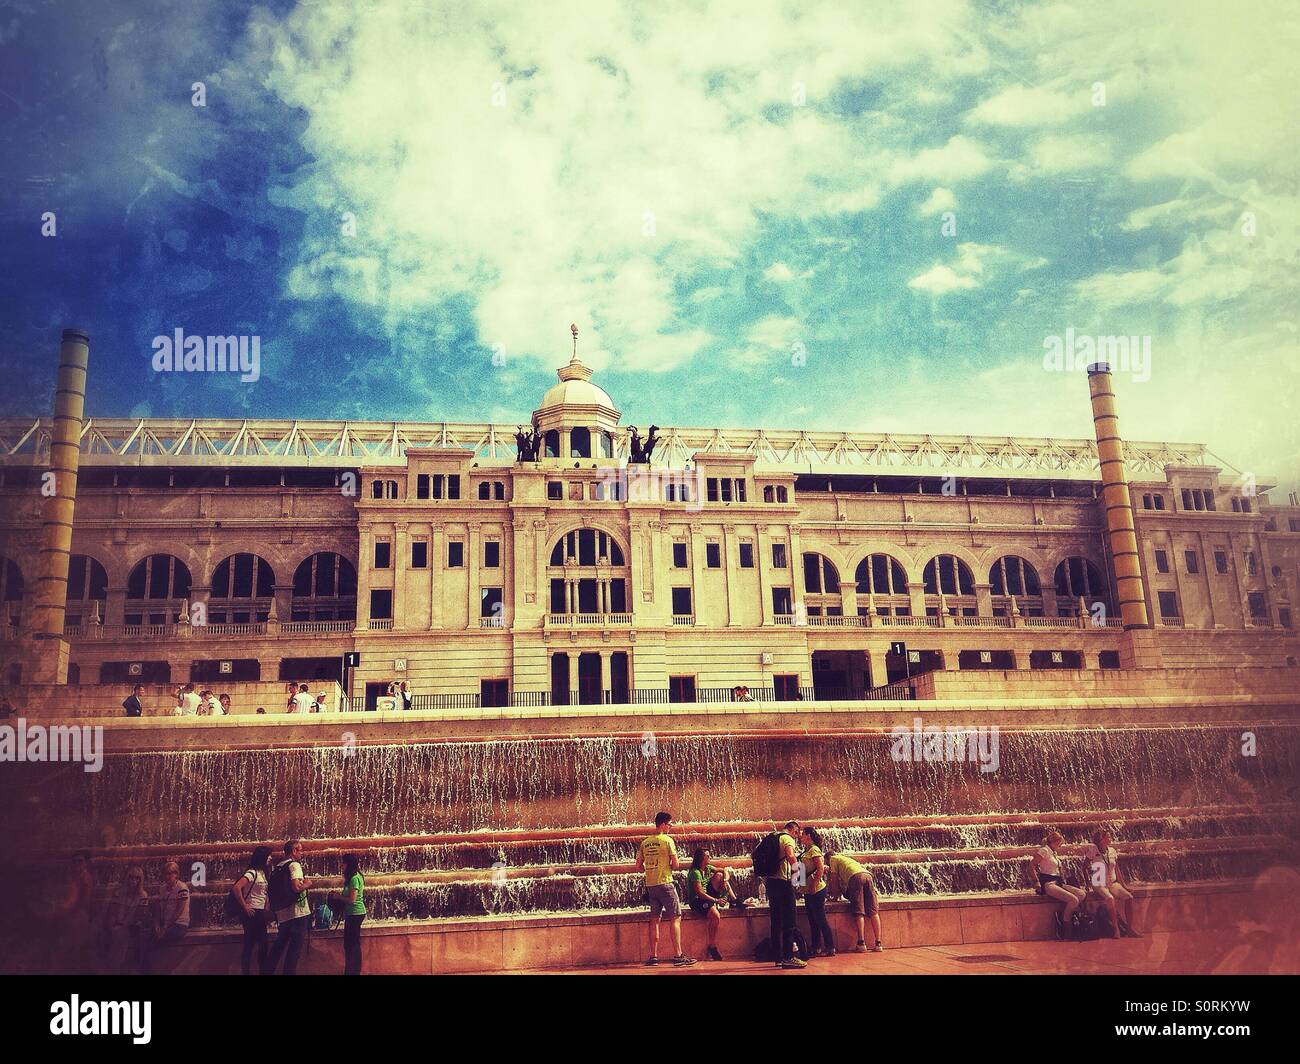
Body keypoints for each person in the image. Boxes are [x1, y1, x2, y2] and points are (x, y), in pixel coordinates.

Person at [635, 812, 695, 967]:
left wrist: (650, 869)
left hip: (651, 886)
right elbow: (676, 865)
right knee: (675, 917)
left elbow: (638, 866)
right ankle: (678, 956)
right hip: (666, 883)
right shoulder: (668, 841)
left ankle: (653, 957)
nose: (670, 827)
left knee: (654, 920)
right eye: (669, 824)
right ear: (662, 824)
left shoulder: (645, 842)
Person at [759, 821, 805, 969]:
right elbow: (791, 856)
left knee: (776, 921)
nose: (797, 838)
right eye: (797, 834)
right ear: (794, 830)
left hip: (771, 882)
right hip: (784, 883)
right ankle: (788, 957)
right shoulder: (787, 838)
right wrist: (799, 876)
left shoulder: (772, 836)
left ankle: (778, 957)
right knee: (790, 921)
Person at [266, 840, 313, 975]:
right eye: (300, 850)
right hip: (298, 914)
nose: (302, 853)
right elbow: (297, 887)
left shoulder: (278, 867)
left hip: (283, 914)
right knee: (294, 951)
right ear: (294, 851)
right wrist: (308, 883)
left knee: (278, 948)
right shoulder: (294, 865)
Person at [1084, 828, 1140, 939]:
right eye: (1108, 837)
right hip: (1098, 883)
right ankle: (1116, 929)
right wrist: (1087, 883)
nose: (1110, 838)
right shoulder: (1093, 850)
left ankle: (1130, 929)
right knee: (1110, 898)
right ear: (1101, 839)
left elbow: (1117, 870)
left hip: (1113, 883)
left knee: (1129, 897)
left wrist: (1124, 886)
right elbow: (1084, 867)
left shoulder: (1112, 851)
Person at [825, 845, 883, 953]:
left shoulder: (832, 859)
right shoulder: (845, 858)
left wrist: (834, 896)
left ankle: (861, 943)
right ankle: (878, 943)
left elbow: (834, 881)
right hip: (868, 876)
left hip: (855, 878)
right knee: (873, 911)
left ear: (827, 858)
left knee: (859, 911)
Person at [1030, 829, 1086, 937]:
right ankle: (1065, 927)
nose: (1060, 845)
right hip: (1048, 884)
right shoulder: (1044, 850)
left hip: (1057, 882)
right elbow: (1031, 866)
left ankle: (1064, 914)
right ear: (1056, 842)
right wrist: (1036, 882)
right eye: (1060, 843)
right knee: (1074, 900)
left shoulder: (1053, 852)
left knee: (1081, 894)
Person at [686, 847, 735, 961]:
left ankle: (733, 900)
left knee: (719, 876)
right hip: (697, 900)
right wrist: (716, 900)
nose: (710, 857)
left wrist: (725, 880)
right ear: (702, 858)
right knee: (715, 916)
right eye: (708, 856)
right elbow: (699, 892)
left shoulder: (708, 868)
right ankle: (712, 946)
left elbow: (724, 870)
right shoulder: (695, 873)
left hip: (707, 896)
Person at [230, 846, 273, 975]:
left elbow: (263, 892)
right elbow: (236, 888)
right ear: (262, 857)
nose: (270, 858)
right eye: (268, 855)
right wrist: (245, 906)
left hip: (259, 912)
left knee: (262, 944)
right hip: (251, 912)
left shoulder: (262, 872)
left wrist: (266, 903)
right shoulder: (251, 872)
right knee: (252, 944)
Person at [100, 865, 150, 974]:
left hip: (132, 926)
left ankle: (114, 967)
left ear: (140, 880)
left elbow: (140, 916)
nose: (134, 880)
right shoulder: (118, 894)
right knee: (111, 935)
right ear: (127, 878)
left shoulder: (143, 896)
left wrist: (123, 926)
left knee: (121, 937)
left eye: (137, 878)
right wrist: (112, 926)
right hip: (117, 925)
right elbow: (112, 913)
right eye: (131, 877)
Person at [143, 860, 190, 973]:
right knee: (145, 936)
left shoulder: (182, 887)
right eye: (165, 873)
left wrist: (164, 928)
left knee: (152, 942)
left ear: (176, 874)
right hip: (165, 924)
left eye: (170, 873)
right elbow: (158, 909)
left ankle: (147, 967)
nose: (167, 876)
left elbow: (179, 911)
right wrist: (157, 925)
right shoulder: (162, 888)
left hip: (179, 925)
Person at [799, 826, 835, 957]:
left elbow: (820, 869)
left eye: (802, 834)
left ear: (808, 836)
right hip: (808, 891)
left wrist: (813, 885)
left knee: (820, 919)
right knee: (812, 920)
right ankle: (816, 947)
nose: (800, 836)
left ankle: (830, 947)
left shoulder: (814, 850)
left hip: (817, 890)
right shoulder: (806, 850)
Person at [341, 853, 366, 975]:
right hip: (352, 914)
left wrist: (337, 897)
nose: (342, 865)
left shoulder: (355, 878)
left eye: (344, 863)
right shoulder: (353, 877)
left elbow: (352, 899)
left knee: (352, 944)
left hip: (356, 913)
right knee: (350, 944)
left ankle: (353, 971)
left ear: (349, 864)